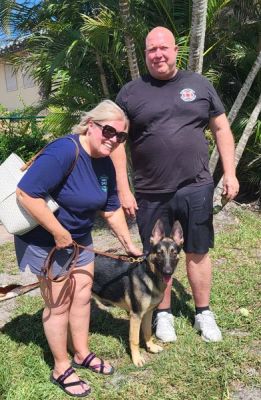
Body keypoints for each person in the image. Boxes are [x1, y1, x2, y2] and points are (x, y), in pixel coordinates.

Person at [112, 27, 239, 343]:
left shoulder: (198, 85)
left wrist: (231, 173)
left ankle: (203, 312)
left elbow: (221, 128)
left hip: (196, 187)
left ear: (175, 50)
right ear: (145, 54)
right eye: (151, 49)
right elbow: (114, 142)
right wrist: (123, 189)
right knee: (156, 255)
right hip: (150, 191)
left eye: (163, 48)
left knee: (197, 250)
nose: (157, 54)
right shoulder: (130, 93)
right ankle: (164, 315)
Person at [15, 100, 141, 398]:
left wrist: (130, 246)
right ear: (90, 125)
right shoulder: (64, 151)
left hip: (80, 239)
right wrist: (58, 232)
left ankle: (81, 352)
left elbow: (111, 210)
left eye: (120, 136)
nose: (113, 139)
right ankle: (61, 366)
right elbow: (25, 193)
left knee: (82, 298)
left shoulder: (105, 163)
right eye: (108, 131)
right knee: (58, 305)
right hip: (46, 241)